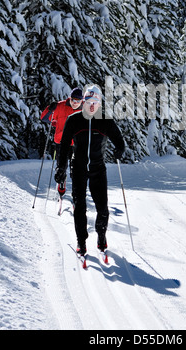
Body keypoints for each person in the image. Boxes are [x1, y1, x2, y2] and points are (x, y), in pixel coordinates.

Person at [54, 85, 125, 255]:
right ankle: (81, 241)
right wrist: (61, 168)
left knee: (102, 207)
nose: (92, 106)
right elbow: (64, 147)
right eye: (88, 102)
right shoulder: (74, 120)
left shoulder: (105, 121)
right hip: (78, 168)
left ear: (100, 103)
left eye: (95, 102)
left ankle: (101, 235)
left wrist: (119, 150)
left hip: (97, 168)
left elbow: (119, 140)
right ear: (84, 102)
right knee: (79, 206)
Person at [41, 87, 84, 194]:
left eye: (78, 101)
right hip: (61, 141)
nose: (75, 103)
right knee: (61, 166)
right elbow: (45, 118)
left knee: (76, 168)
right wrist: (50, 109)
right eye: (73, 100)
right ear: (70, 98)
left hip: (76, 143)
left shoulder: (85, 110)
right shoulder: (60, 106)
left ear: (81, 101)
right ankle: (61, 181)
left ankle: (77, 189)